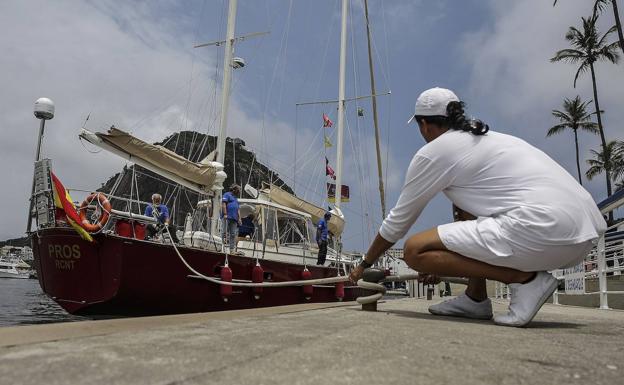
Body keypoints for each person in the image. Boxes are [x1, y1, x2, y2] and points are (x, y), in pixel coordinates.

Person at [349, 87, 606, 327]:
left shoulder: (434, 153)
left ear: (424, 125)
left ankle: (525, 281)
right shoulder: (489, 139)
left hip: (545, 228)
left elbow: (397, 223)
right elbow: (468, 214)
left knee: (415, 251)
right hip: (582, 234)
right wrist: (441, 263)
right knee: (462, 208)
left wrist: (364, 263)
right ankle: (475, 298)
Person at [221, 184, 241, 253]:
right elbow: (223, 204)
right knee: (224, 232)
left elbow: (238, 209)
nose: (239, 192)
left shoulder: (236, 199)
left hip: (234, 219)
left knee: (233, 234)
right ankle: (221, 247)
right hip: (227, 217)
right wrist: (225, 214)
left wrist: (239, 218)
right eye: (238, 190)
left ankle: (232, 250)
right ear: (234, 189)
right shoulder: (227, 194)